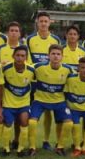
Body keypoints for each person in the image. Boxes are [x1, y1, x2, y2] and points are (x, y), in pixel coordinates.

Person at [26, 12, 63, 150]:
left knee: (49, 112)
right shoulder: (30, 39)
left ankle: (46, 140)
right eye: (41, 21)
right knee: (33, 113)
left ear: (49, 23)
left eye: (45, 21)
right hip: (35, 81)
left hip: (52, 80)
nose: (43, 24)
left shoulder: (56, 39)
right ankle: (29, 143)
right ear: (37, 22)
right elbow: (28, 59)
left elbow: (58, 58)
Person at [29, 44, 74, 156]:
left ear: (62, 56)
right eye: (53, 54)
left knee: (69, 124)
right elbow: (25, 67)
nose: (55, 56)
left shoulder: (68, 69)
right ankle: (32, 148)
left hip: (59, 102)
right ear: (48, 56)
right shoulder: (38, 67)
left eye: (58, 54)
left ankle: (60, 147)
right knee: (32, 122)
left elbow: (81, 76)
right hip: (40, 100)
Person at [4, 46, 37, 157]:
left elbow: (36, 85)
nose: (19, 58)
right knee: (8, 123)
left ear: (26, 58)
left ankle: (20, 149)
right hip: (8, 103)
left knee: (24, 121)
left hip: (23, 103)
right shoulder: (5, 68)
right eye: (17, 55)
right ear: (13, 56)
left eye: (22, 56)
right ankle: (6, 149)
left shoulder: (32, 70)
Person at [64, 57, 85, 157]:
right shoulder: (70, 78)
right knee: (76, 126)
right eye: (82, 67)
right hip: (74, 108)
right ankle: (77, 147)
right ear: (78, 68)